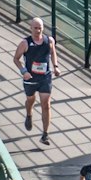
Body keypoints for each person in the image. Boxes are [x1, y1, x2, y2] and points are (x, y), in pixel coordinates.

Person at [12, 17, 58, 146]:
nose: (38, 31)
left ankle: (45, 134)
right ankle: (29, 114)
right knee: (31, 100)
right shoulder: (25, 43)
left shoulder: (49, 40)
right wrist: (24, 71)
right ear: (30, 28)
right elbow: (16, 59)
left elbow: (53, 52)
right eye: (35, 28)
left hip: (45, 77)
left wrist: (55, 66)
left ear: (43, 28)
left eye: (40, 28)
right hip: (30, 78)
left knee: (46, 104)